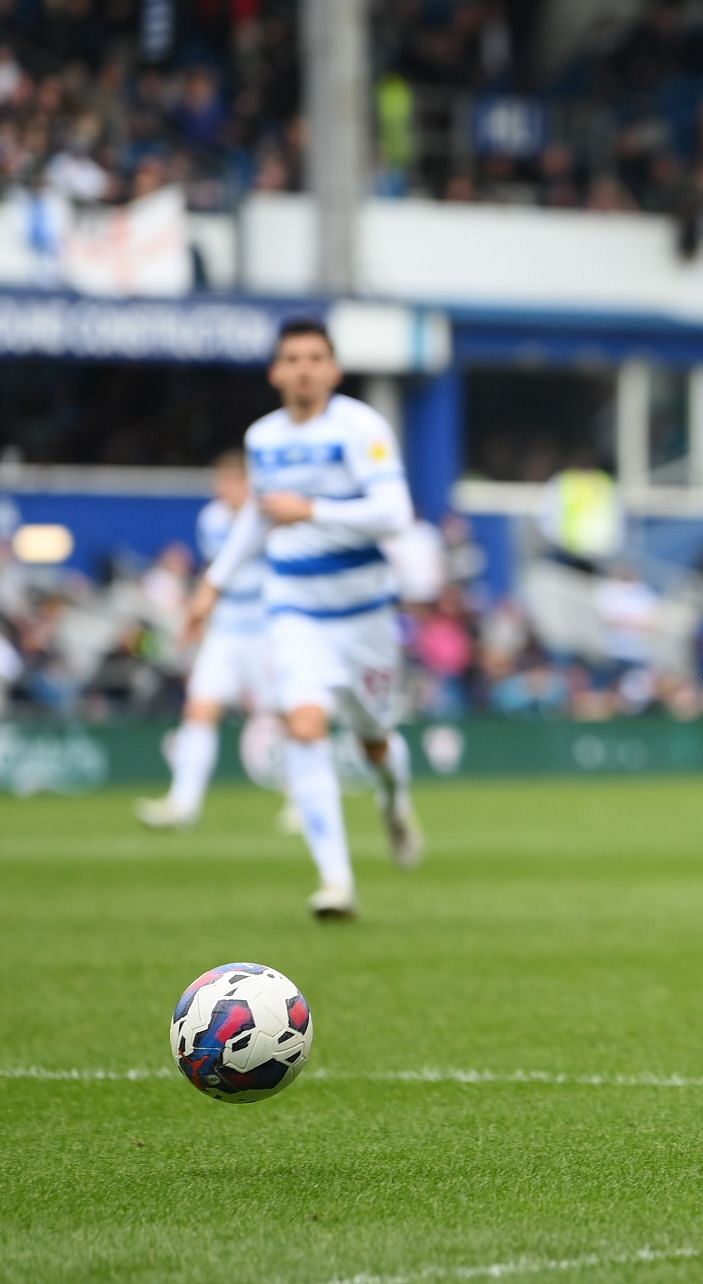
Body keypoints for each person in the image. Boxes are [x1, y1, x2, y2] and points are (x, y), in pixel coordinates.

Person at [185, 319, 424, 920]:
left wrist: (312, 509)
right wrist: (213, 582)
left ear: (334, 370)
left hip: (365, 612)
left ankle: (395, 803)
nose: (303, 369)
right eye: (291, 359)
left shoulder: (360, 427)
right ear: (275, 372)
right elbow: (260, 518)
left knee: (375, 740)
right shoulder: (262, 437)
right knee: (307, 724)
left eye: (315, 358)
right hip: (293, 607)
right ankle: (336, 882)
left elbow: (395, 514)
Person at [137, 451, 293, 832]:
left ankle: (303, 800)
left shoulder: (272, 517)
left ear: (246, 483)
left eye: (229, 482)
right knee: (200, 709)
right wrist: (200, 615)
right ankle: (184, 804)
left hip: (264, 628)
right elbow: (215, 572)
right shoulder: (212, 520)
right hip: (225, 629)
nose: (221, 490)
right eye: (219, 483)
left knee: (286, 716)